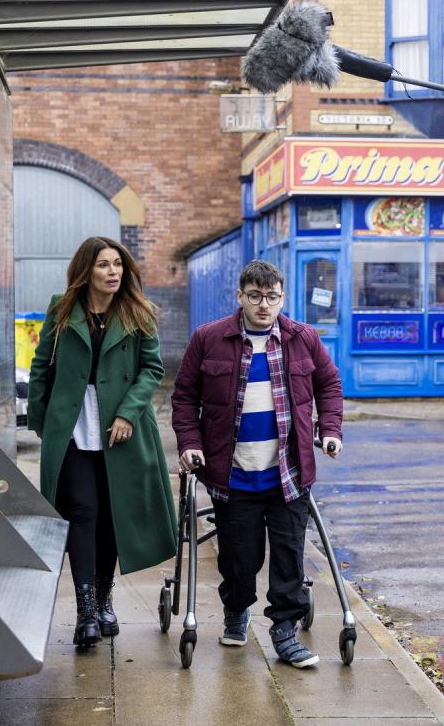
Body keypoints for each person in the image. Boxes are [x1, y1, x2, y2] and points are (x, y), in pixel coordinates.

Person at [171, 260, 343, 669]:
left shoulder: (304, 338)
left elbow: (329, 385)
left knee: (288, 556)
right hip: (233, 476)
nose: (264, 305)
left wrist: (330, 430)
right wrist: (190, 444)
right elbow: (183, 398)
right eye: (255, 296)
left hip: (288, 474)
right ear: (241, 296)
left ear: (282, 297)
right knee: (239, 559)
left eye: (272, 297)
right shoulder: (209, 338)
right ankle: (236, 610)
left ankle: (284, 630)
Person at [28, 237, 177, 649]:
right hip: (72, 424)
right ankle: (86, 611)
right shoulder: (61, 309)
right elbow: (42, 367)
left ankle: (104, 596)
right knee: (82, 511)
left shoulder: (137, 311)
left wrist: (129, 413)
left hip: (120, 425)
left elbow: (151, 369)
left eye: (118, 265)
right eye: (104, 266)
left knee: (112, 514)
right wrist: (44, 425)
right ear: (86, 271)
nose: (113, 272)